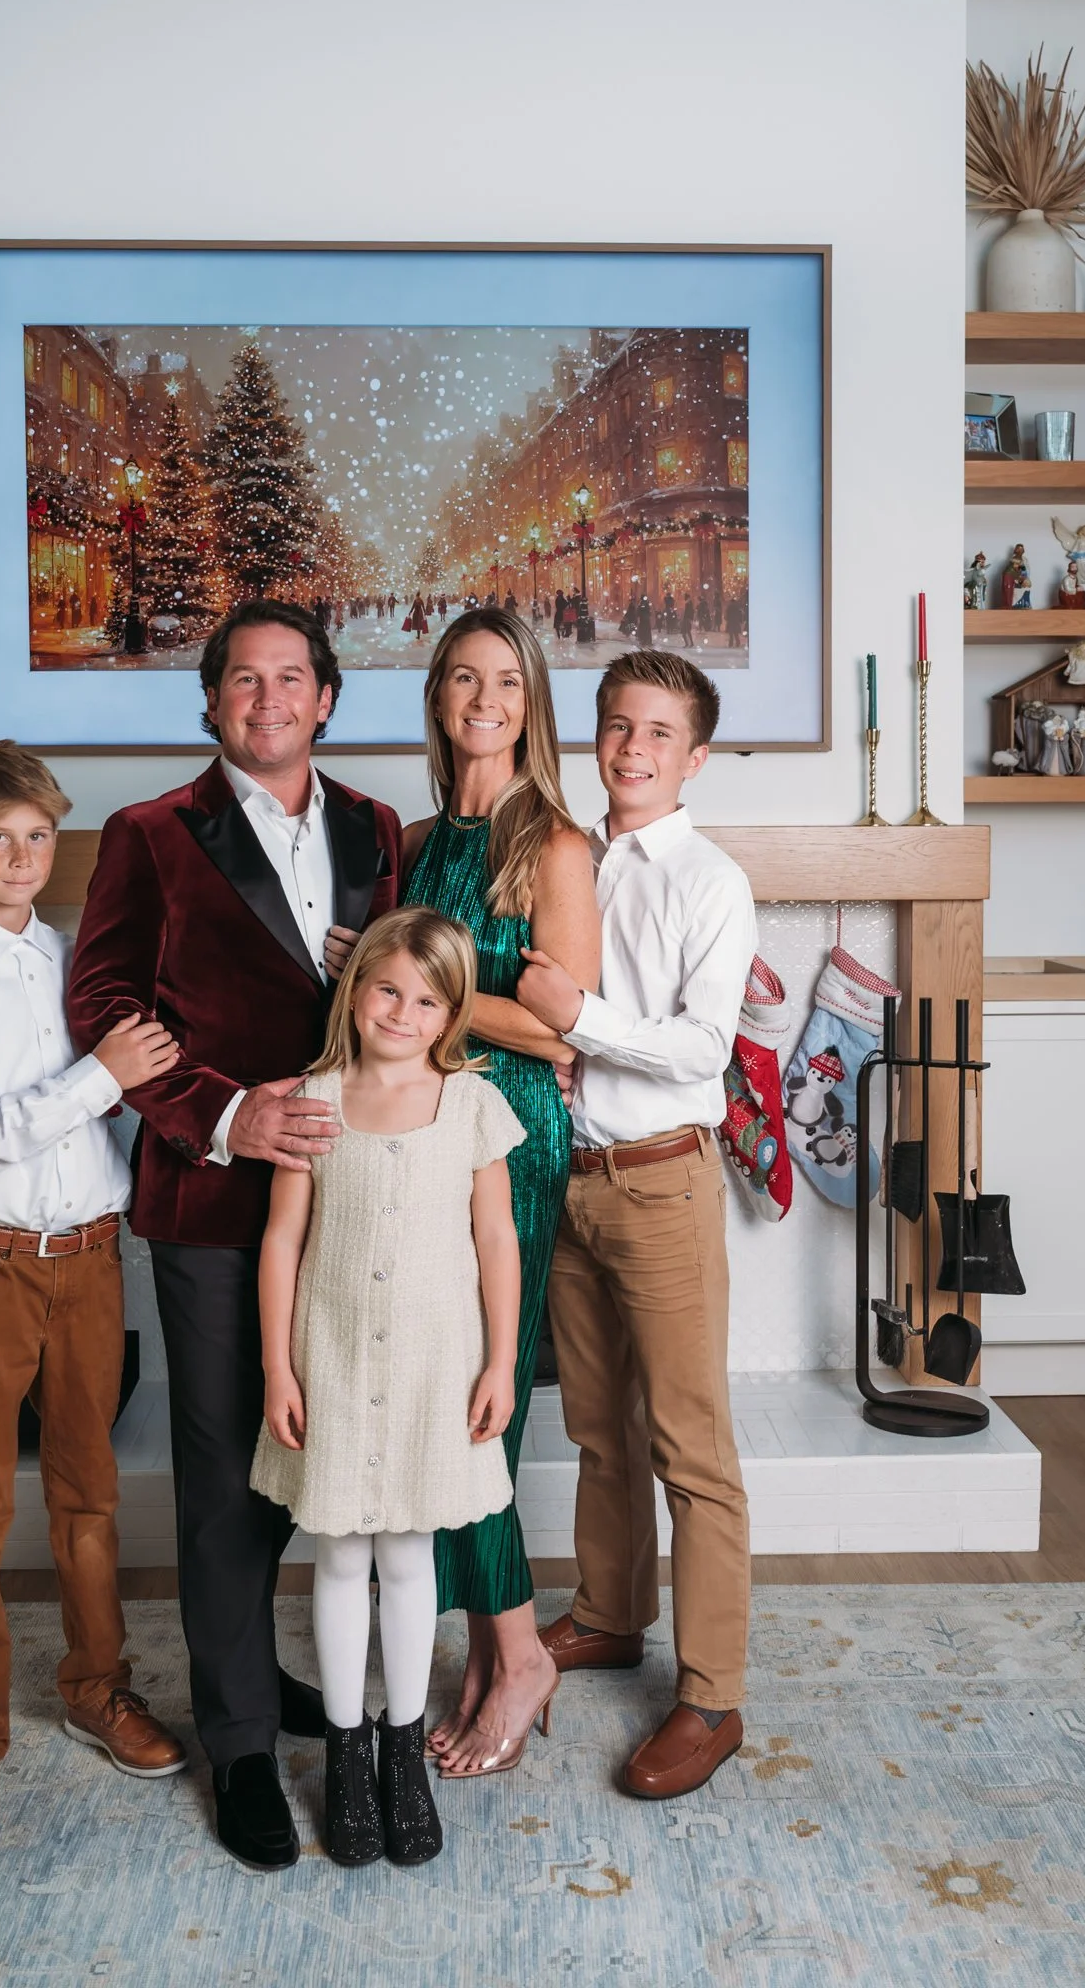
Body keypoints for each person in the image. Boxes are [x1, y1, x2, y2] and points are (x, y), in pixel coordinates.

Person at [68, 600, 402, 1870]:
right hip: (213, 1205)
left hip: (358, 1199)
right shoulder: (149, 835)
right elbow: (99, 1002)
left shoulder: (378, 829)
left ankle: (265, 1677)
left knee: (322, 1455)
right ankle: (245, 1745)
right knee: (222, 1479)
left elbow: (404, 986)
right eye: (243, 680)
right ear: (210, 704)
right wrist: (220, 1117)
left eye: (292, 677)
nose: (268, 698)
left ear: (326, 699)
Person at [0, 742, 186, 1867]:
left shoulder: (69, 960)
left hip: (94, 1257)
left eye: (38, 838)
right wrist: (103, 1075)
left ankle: (96, 1687)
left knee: (89, 1494)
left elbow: (96, 1111)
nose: (19, 858)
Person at [517, 649, 757, 1801]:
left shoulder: (709, 879)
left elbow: (703, 1048)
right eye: (617, 725)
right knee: (601, 1428)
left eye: (657, 732)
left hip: (662, 1183)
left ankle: (712, 1696)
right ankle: (611, 1614)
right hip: (572, 1179)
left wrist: (580, 1017)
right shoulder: (567, 857)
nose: (631, 748)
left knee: (690, 1448)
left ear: (693, 756)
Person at [250, 908, 528, 1865]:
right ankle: (344, 1747)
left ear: (450, 1013)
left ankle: (402, 1749)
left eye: (427, 999)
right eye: (387, 990)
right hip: (330, 1359)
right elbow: (282, 1237)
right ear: (355, 986)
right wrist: (276, 1366)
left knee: (407, 1556)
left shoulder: (472, 1104)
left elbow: (497, 1239)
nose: (403, 1013)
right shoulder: (312, 1097)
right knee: (336, 1557)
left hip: (430, 1367)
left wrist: (499, 1360)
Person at [400, 608, 600, 1777]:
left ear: (532, 704)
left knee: (482, 1414)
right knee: (443, 1403)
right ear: (438, 696)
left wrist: (418, 981)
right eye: (465, 678)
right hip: (427, 1142)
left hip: (513, 1143)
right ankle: (486, 1653)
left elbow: (560, 1035)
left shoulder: (554, 845)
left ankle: (521, 1654)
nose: (485, 698)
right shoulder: (422, 838)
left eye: (508, 681)